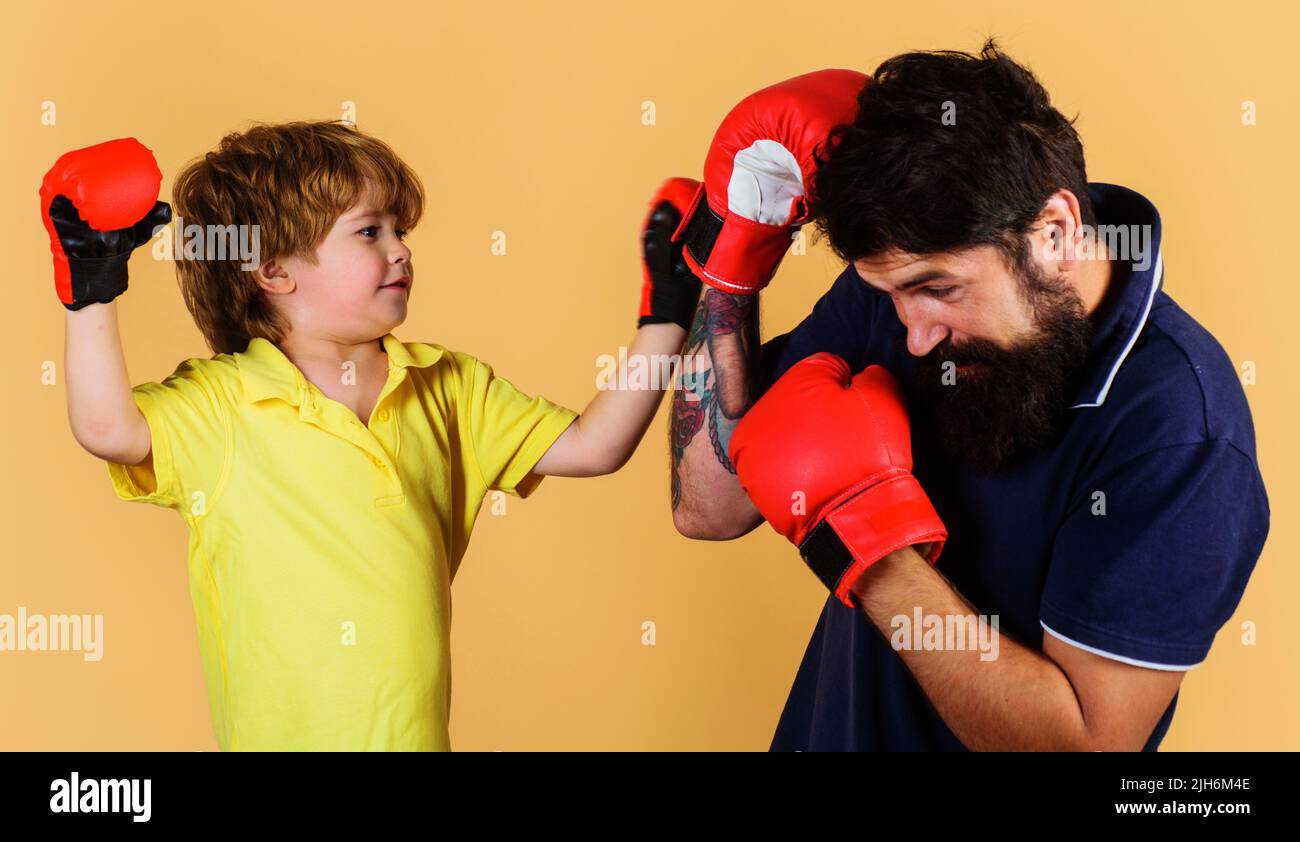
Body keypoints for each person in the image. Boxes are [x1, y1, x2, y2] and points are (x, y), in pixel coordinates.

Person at [670, 41, 1270, 751]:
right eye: (889, 294)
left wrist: (872, 547)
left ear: (1055, 233)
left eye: (940, 290)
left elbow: (1084, 744)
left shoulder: (1180, 431)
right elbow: (707, 507)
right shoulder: (899, 294)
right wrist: (731, 269)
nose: (914, 338)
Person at [47, 123, 701, 750]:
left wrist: (667, 315)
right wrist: (92, 291)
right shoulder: (223, 405)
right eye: (369, 232)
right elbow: (108, 429)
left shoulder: (448, 385)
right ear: (273, 271)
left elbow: (596, 446)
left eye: (400, 229)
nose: (401, 249)